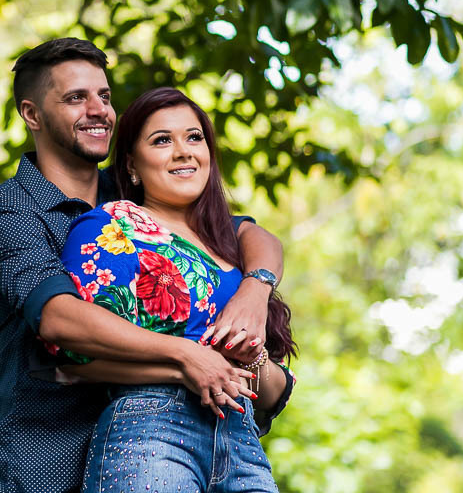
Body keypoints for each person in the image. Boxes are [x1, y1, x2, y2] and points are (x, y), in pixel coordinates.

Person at [0, 38, 285, 493]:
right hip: (51, 457)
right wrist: (186, 356)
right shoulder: (10, 212)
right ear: (32, 114)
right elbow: (59, 318)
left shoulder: (132, 193)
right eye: (75, 98)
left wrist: (256, 289)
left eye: (104, 95)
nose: (98, 110)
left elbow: (244, 234)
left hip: (179, 440)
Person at [58, 87, 296, 493]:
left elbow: (273, 395)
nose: (183, 151)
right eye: (162, 140)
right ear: (131, 164)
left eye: (194, 137)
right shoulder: (113, 226)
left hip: (242, 444)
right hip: (151, 432)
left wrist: (252, 349)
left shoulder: (231, 244)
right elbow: (74, 359)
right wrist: (185, 364)